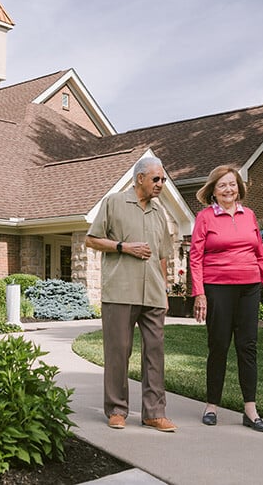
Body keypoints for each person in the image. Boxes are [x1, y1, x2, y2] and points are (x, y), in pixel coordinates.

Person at [86, 156, 177, 432]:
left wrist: (164, 290)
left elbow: (162, 255)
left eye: (162, 179)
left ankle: (154, 412)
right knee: (117, 353)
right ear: (140, 179)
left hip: (152, 294)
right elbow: (91, 239)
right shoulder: (114, 202)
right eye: (156, 179)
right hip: (120, 292)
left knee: (155, 354)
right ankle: (116, 410)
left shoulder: (160, 212)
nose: (161, 184)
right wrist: (125, 247)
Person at [190, 164, 263, 432]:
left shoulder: (249, 215)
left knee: (247, 347)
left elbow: (260, 253)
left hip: (249, 288)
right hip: (218, 287)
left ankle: (250, 409)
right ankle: (211, 405)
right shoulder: (205, 217)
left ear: (239, 188)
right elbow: (195, 257)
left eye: (233, 184)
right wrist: (199, 293)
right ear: (213, 191)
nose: (229, 189)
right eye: (223, 185)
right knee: (218, 345)